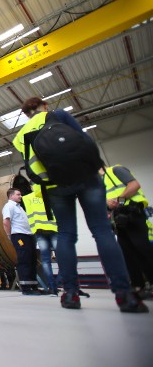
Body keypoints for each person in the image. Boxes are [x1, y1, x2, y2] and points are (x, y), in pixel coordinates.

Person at [13, 97, 148, 312]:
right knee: (102, 231)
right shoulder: (59, 115)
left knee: (66, 235)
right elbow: (85, 141)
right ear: (44, 106)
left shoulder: (20, 136)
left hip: (55, 184)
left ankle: (71, 294)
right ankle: (124, 294)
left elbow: (33, 166)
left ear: (26, 114)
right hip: (87, 177)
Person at [101, 165, 153, 295]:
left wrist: (120, 200)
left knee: (142, 248)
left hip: (132, 214)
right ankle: (138, 285)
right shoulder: (99, 183)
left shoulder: (116, 170)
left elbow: (134, 185)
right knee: (127, 252)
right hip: (118, 219)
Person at [2, 188, 41, 295]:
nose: (20, 196)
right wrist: (10, 235)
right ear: (11, 196)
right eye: (18, 194)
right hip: (19, 236)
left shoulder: (19, 207)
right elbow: (6, 222)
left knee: (32, 259)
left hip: (27, 236)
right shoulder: (9, 206)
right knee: (24, 259)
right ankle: (26, 287)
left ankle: (33, 285)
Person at [24, 185, 59, 296]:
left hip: (39, 231)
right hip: (53, 229)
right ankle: (58, 285)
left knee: (45, 261)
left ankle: (52, 287)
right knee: (63, 258)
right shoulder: (51, 193)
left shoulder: (27, 198)